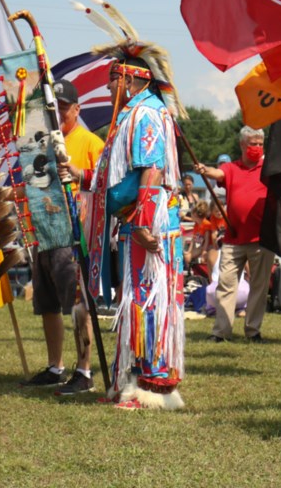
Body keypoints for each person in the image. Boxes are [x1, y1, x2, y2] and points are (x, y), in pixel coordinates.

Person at [62, 52, 186, 410]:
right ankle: (131, 380)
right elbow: (120, 177)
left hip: (149, 221)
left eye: (113, 80)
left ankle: (153, 387)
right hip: (136, 219)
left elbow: (151, 170)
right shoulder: (133, 114)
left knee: (150, 301)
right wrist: (81, 175)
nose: (108, 86)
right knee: (136, 299)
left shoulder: (144, 114)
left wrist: (145, 223)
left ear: (131, 80)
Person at [21, 78, 104, 396]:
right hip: (45, 231)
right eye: (53, 109)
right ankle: (55, 366)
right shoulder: (41, 142)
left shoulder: (90, 143)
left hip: (74, 235)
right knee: (48, 305)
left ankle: (84, 370)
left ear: (77, 109)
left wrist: (80, 177)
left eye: (65, 108)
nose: (59, 114)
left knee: (78, 305)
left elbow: (104, 186)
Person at [196, 126, 273, 343]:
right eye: (252, 144)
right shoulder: (232, 168)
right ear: (242, 145)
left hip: (262, 238)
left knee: (259, 286)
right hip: (233, 238)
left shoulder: (268, 168)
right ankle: (221, 331)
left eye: (260, 144)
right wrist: (204, 169)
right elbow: (218, 173)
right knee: (226, 283)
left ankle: (253, 330)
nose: (257, 148)